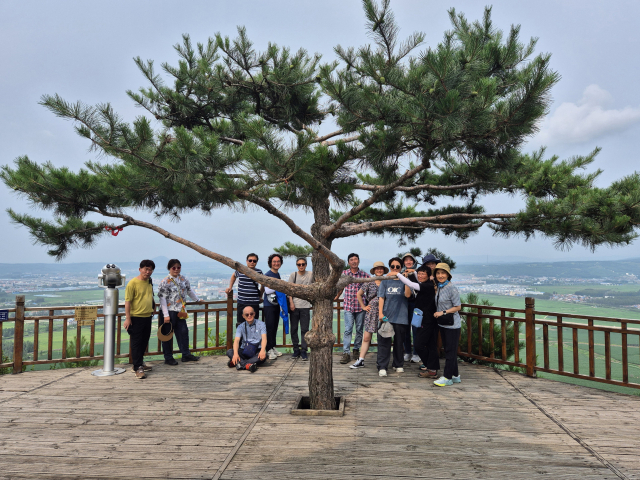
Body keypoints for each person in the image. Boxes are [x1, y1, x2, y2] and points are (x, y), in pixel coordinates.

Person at [157, 259, 203, 365]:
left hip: (180, 311)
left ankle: (186, 354)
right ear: (169, 268)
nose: (176, 269)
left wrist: (197, 300)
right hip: (169, 311)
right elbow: (162, 299)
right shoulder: (165, 281)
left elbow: (189, 290)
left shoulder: (183, 279)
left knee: (183, 333)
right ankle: (168, 357)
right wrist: (166, 315)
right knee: (167, 335)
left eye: (178, 267)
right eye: (174, 267)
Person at [397, 264, 439, 378]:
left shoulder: (427, 286)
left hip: (427, 320)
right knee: (430, 345)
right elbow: (418, 278)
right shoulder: (426, 284)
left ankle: (430, 365)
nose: (420, 276)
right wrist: (415, 271)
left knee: (419, 344)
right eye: (419, 274)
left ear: (428, 275)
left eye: (423, 274)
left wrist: (397, 274)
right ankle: (432, 370)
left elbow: (410, 284)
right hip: (426, 319)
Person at [376, 257, 412, 377]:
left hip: (401, 316)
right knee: (384, 342)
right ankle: (382, 366)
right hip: (387, 316)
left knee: (399, 342)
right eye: (393, 266)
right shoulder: (385, 280)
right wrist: (380, 314)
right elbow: (381, 297)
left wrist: (405, 280)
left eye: (398, 266)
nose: (395, 269)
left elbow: (407, 295)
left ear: (402, 268)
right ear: (390, 267)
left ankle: (398, 364)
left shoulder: (405, 280)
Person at [349, 261, 388, 369]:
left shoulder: (387, 281)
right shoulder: (369, 281)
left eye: (381, 268)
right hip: (371, 312)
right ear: (374, 271)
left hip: (384, 312)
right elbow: (359, 294)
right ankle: (361, 360)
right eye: (377, 269)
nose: (379, 270)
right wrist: (363, 307)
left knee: (383, 338)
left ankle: (382, 362)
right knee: (366, 337)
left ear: (384, 270)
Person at [335, 253, 370, 364]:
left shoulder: (365, 275)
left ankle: (356, 349)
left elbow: (371, 289)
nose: (354, 261)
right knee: (348, 330)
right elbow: (340, 287)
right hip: (348, 307)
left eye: (356, 259)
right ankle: (346, 353)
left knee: (359, 330)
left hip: (361, 307)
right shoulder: (344, 274)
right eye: (352, 260)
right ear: (348, 262)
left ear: (359, 261)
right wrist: (335, 297)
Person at [124, 259, 156, 380]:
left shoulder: (149, 281)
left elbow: (149, 295)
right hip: (136, 317)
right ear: (140, 269)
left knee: (144, 341)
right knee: (136, 343)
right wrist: (128, 318)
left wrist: (154, 306)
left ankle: (139, 363)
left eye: (150, 270)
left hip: (147, 316)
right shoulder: (132, 283)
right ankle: (138, 367)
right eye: (146, 269)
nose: (148, 272)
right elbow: (128, 302)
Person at [431, 263, 462, 387]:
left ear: (448, 275)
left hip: (452, 325)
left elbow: (458, 307)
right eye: (438, 273)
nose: (440, 275)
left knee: (450, 351)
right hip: (444, 324)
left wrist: (442, 312)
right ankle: (455, 375)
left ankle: (447, 377)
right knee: (449, 350)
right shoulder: (439, 287)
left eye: (443, 273)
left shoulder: (451, 288)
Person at [225, 253, 263, 327]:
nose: (252, 262)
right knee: (241, 324)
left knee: (254, 325)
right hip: (242, 302)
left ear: (256, 262)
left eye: (254, 261)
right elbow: (233, 276)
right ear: (246, 261)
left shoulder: (259, 272)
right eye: (250, 260)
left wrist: (260, 296)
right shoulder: (240, 270)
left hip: (254, 302)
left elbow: (263, 284)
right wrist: (230, 287)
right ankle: (242, 339)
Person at [227, 306, 267, 372]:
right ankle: (247, 365)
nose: (249, 316)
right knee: (230, 352)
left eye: (251, 314)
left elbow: (264, 338)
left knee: (264, 356)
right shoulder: (241, 326)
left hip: (256, 350)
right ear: (243, 316)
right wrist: (236, 354)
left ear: (254, 314)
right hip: (244, 350)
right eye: (247, 314)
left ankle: (239, 363)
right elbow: (236, 341)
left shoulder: (261, 324)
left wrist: (262, 350)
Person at [288, 257, 313, 361]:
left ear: (306, 265)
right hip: (295, 306)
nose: (301, 266)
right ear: (296, 265)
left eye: (303, 264)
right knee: (293, 329)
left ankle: (304, 350)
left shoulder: (311, 274)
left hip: (305, 307)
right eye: (299, 264)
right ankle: (295, 349)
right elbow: (289, 290)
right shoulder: (293, 275)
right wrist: (291, 303)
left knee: (304, 330)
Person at [263, 253, 284, 360]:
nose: (276, 263)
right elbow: (267, 290)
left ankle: (273, 347)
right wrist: (280, 286)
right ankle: (268, 349)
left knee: (275, 326)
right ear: (270, 263)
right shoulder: (268, 274)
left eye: (278, 261)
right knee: (269, 327)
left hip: (276, 305)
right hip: (269, 305)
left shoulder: (277, 274)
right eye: (274, 261)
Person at [400, 252, 420, 363]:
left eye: (410, 260)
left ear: (413, 261)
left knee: (416, 328)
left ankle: (416, 353)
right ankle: (407, 352)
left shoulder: (418, 273)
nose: (408, 262)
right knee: (405, 329)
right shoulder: (401, 273)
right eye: (406, 260)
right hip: (404, 304)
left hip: (416, 305)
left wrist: (414, 272)